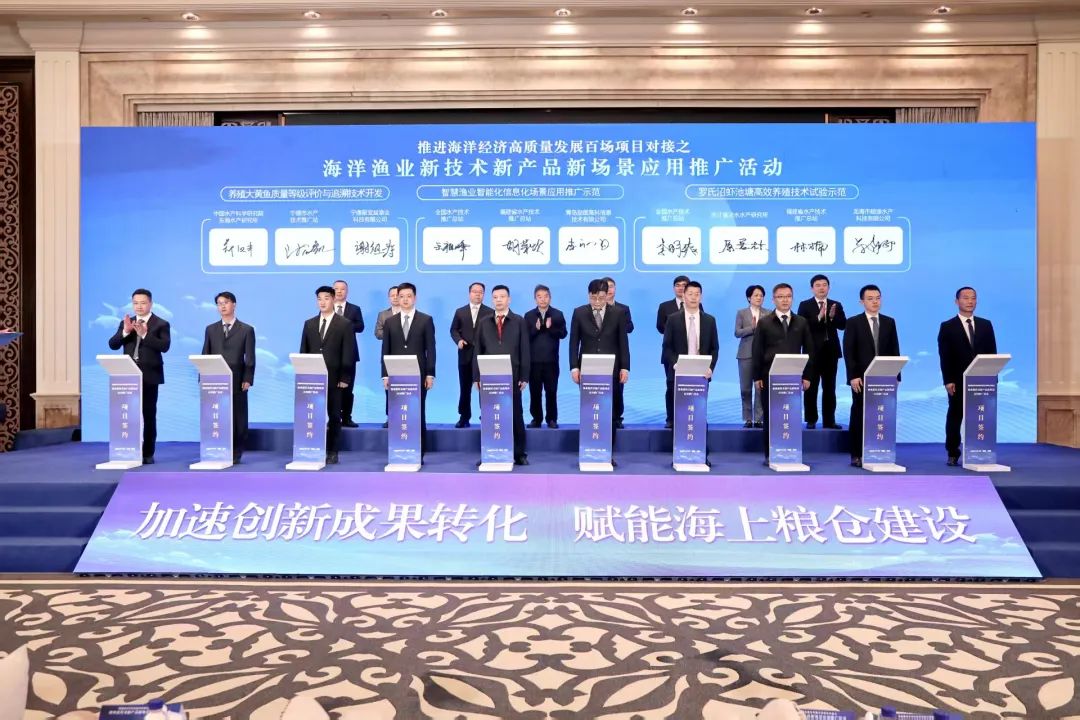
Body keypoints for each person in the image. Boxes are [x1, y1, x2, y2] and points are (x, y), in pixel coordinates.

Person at [569, 278, 630, 461]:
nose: (597, 301)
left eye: (601, 298)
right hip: (587, 371)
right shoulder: (579, 312)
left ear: (607, 295)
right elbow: (573, 343)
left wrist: (625, 367)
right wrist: (574, 367)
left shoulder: (618, 313)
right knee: (589, 411)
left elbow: (623, 343)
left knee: (609, 413)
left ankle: (607, 452)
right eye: (593, 297)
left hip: (611, 370)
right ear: (589, 295)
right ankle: (588, 450)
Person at [752, 283, 813, 464]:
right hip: (769, 377)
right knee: (771, 416)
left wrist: (807, 376)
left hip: (793, 378)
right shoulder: (764, 322)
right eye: (780, 297)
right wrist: (757, 377)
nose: (785, 300)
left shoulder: (801, 322)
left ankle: (791, 451)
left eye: (788, 296)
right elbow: (757, 351)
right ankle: (770, 454)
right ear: (773, 300)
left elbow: (809, 350)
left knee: (791, 415)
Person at [107, 288, 171, 464]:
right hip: (127, 377)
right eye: (136, 303)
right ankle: (128, 450)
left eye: (143, 303)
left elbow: (164, 346)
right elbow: (113, 344)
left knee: (148, 415)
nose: (139, 306)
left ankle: (147, 453)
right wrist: (126, 332)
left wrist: (145, 335)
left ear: (151, 303)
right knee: (128, 415)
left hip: (150, 376)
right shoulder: (126, 323)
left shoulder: (161, 323)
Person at [937, 286, 997, 466]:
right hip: (958, 380)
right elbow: (945, 356)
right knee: (955, 416)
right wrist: (948, 380)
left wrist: (993, 378)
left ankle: (980, 450)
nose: (970, 301)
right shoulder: (947, 326)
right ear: (957, 301)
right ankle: (953, 452)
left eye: (973, 298)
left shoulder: (986, 325)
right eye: (965, 298)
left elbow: (992, 353)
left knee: (981, 416)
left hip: (982, 381)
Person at [843, 285, 900, 468]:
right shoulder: (853, 322)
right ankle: (856, 454)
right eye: (870, 298)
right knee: (859, 415)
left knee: (882, 415)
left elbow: (894, 350)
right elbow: (848, 351)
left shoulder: (889, 322)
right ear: (862, 302)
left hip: (884, 378)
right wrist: (853, 376)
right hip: (861, 379)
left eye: (878, 298)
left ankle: (879, 451)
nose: (875, 302)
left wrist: (896, 376)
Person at [474, 285, 530, 465]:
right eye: (495, 297)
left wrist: (524, 376)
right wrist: (476, 377)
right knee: (489, 415)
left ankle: (519, 453)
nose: (498, 300)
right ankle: (488, 451)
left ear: (509, 300)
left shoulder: (519, 321)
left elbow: (525, 349)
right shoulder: (484, 322)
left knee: (515, 415)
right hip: (489, 378)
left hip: (513, 377)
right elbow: (478, 350)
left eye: (502, 296)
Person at [299, 285, 356, 465]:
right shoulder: (309, 324)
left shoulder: (344, 324)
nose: (322, 302)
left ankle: (332, 451)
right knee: (313, 415)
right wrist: (304, 374)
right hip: (313, 379)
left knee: (334, 416)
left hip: (336, 379)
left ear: (333, 299)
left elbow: (348, 352)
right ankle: (313, 448)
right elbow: (304, 350)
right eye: (319, 299)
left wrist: (345, 377)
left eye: (326, 298)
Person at [381, 282, 436, 461]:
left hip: (419, 375)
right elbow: (385, 350)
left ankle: (419, 451)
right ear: (397, 298)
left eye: (408, 296)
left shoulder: (425, 320)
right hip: (396, 375)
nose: (405, 300)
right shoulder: (390, 322)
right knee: (397, 413)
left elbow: (431, 349)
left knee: (417, 412)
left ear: (415, 298)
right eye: (401, 296)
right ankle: (398, 449)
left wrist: (430, 374)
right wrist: (385, 375)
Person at [201, 291, 256, 464]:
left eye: (225, 302)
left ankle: (236, 451)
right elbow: (205, 354)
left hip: (237, 380)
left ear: (234, 305)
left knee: (238, 417)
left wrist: (248, 378)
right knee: (217, 415)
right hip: (215, 380)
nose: (222, 306)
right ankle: (217, 447)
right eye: (219, 303)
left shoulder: (246, 329)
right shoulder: (211, 329)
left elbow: (250, 357)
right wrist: (203, 377)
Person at [662, 281, 719, 436]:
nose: (694, 297)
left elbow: (714, 348)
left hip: (701, 373)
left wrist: (710, 368)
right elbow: (667, 347)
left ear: (701, 297)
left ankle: (699, 446)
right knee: (679, 413)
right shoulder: (673, 319)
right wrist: (675, 364)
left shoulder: (709, 320)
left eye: (697, 294)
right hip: (679, 372)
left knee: (698, 412)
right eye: (690, 294)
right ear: (683, 296)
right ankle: (678, 446)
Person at [797, 274, 847, 429]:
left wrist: (831, 318)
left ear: (829, 287)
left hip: (831, 353)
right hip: (811, 353)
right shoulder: (805, 305)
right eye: (818, 285)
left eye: (824, 285)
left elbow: (843, 325)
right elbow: (801, 327)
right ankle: (811, 419)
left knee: (830, 388)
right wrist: (819, 317)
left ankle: (829, 420)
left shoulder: (836, 305)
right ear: (812, 288)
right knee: (811, 388)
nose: (821, 288)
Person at [450, 282, 493, 428]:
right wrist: (459, 340)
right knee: (465, 387)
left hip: (483, 356)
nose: (477, 294)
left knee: (485, 388)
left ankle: (486, 416)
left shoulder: (490, 312)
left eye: (480, 292)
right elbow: (453, 330)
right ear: (469, 293)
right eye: (475, 291)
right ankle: (464, 416)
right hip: (465, 354)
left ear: (484, 294)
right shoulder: (460, 312)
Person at [523, 284, 567, 429]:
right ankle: (536, 419)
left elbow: (563, 334)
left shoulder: (557, 314)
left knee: (551, 391)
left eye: (546, 296)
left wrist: (551, 328)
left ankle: (551, 419)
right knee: (535, 392)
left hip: (551, 361)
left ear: (550, 297)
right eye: (539, 297)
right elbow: (524, 338)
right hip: (534, 362)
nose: (543, 299)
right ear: (535, 299)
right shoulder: (529, 316)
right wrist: (535, 329)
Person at [656, 275, 691, 427]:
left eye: (684, 285)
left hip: (691, 354)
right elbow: (659, 326)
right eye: (678, 285)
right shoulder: (665, 306)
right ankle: (671, 418)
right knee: (671, 386)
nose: (681, 288)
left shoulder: (696, 305)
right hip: (671, 354)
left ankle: (689, 417)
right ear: (673, 288)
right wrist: (675, 332)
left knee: (690, 387)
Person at [332, 280, 365, 428]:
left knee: (348, 387)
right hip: (331, 354)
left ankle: (346, 417)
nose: (339, 291)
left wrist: (345, 325)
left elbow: (360, 326)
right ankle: (333, 417)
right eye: (336, 289)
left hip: (349, 354)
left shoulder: (354, 309)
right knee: (332, 388)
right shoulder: (327, 307)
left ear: (347, 291)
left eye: (342, 289)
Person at [735, 284, 767, 428]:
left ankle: (759, 418)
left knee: (760, 388)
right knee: (745, 389)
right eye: (756, 295)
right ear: (749, 298)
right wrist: (752, 328)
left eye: (761, 295)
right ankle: (748, 418)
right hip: (745, 354)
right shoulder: (741, 313)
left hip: (763, 355)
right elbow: (737, 332)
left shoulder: (769, 313)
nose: (759, 298)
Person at [603, 276, 634, 428]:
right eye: (606, 287)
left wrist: (617, 324)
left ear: (615, 289)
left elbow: (630, 327)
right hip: (600, 354)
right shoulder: (594, 308)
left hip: (617, 353)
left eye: (611, 286)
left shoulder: (623, 309)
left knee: (617, 389)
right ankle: (602, 417)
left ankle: (617, 418)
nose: (609, 290)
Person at [374, 285, 400, 428]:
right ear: (389, 298)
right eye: (392, 295)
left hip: (408, 357)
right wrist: (393, 335)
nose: (395, 298)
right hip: (389, 355)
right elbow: (378, 333)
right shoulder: (383, 314)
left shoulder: (411, 314)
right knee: (389, 389)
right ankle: (390, 417)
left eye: (397, 295)